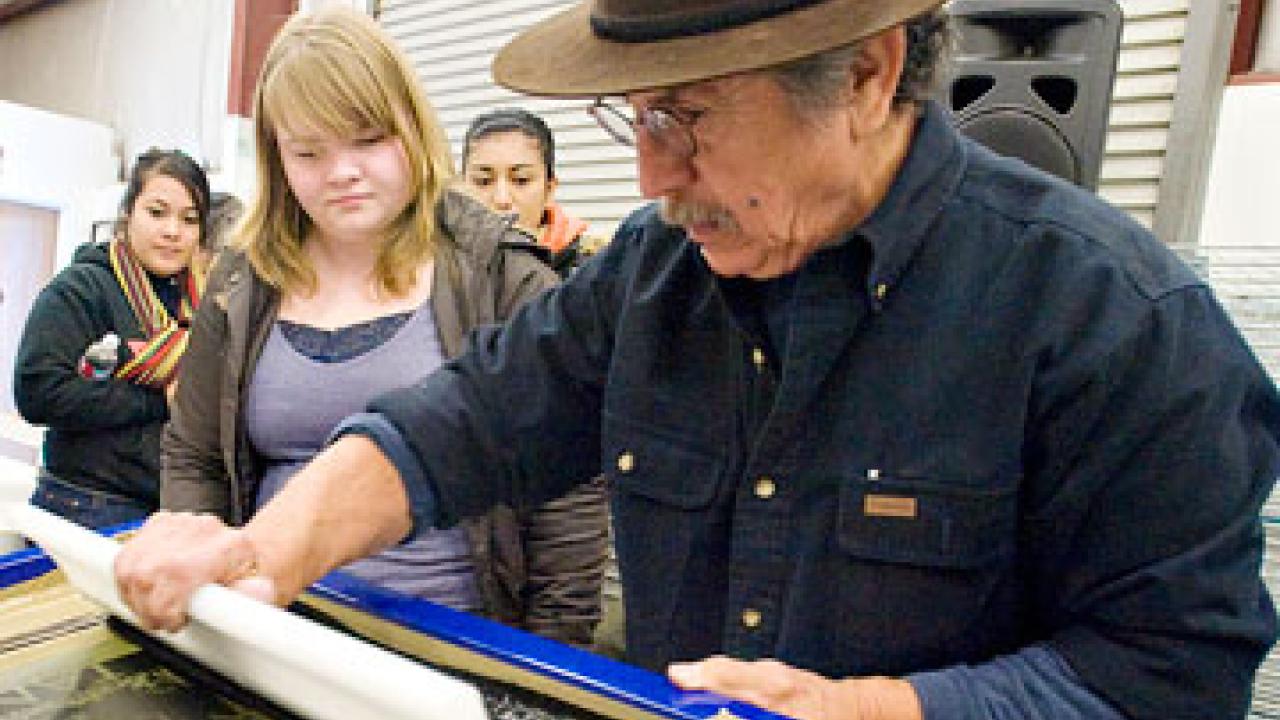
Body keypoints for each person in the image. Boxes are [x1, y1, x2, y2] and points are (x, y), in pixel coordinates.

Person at [116, 2, 1280, 719]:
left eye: (689, 119)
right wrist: (261, 551)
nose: (653, 178)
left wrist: (867, 711)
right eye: (638, 122)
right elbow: (461, 422)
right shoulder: (651, 274)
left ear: (868, 75)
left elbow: (1163, 679)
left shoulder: (1120, 324)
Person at [152, 7, 607, 645]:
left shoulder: (500, 275)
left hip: (455, 646)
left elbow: (570, 491)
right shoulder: (239, 286)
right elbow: (194, 454)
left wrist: (542, 662)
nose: (342, 172)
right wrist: (200, 592)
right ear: (277, 157)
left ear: (413, 129)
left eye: (367, 140)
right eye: (308, 151)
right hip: (274, 632)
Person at [14, 148, 210, 529]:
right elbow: (39, 391)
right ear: (127, 216)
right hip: (82, 504)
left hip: (163, 513)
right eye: (157, 212)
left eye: (189, 219)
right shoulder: (83, 288)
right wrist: (159, 400)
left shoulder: (200, 305)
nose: (173, 231)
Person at [461, 108, 606, 276]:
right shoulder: (437, 266)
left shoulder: (591, 270)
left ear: (549, 190)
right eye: (483, 181)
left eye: (521, 180)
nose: (502, 200)